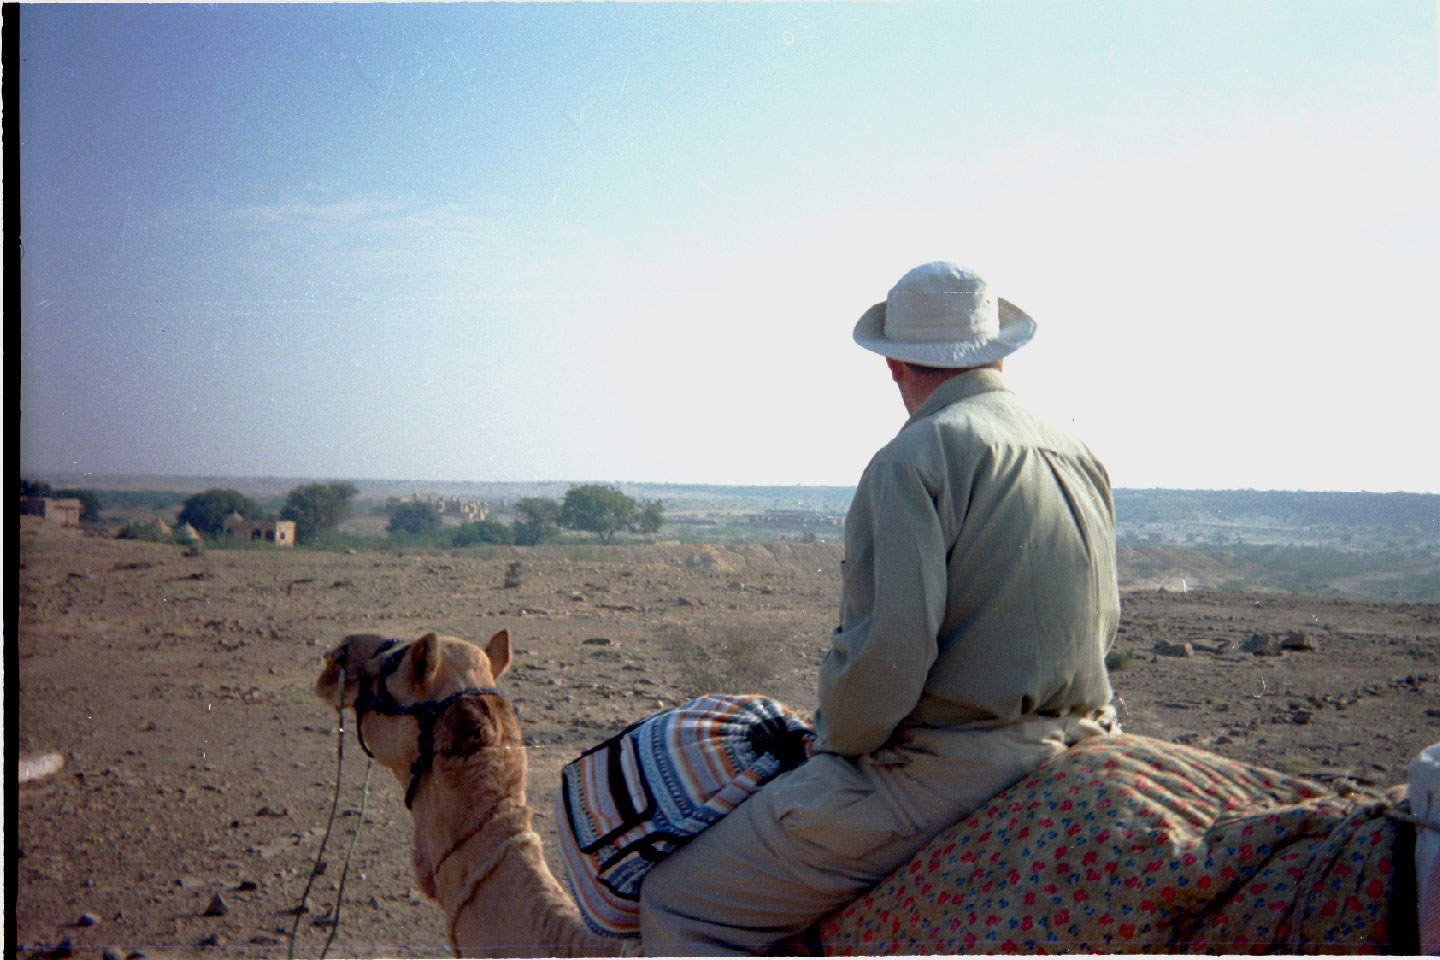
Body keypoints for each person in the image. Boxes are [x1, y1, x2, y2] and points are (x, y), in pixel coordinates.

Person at [638, 261, 1122, 955]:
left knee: (680, 901)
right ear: (999, 351)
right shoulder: (1078, 451)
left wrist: (834, 738)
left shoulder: (914, 457)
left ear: (894, 363)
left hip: (951, 769)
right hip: (1083, 734)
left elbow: (891, 655)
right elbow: (1105, 623)